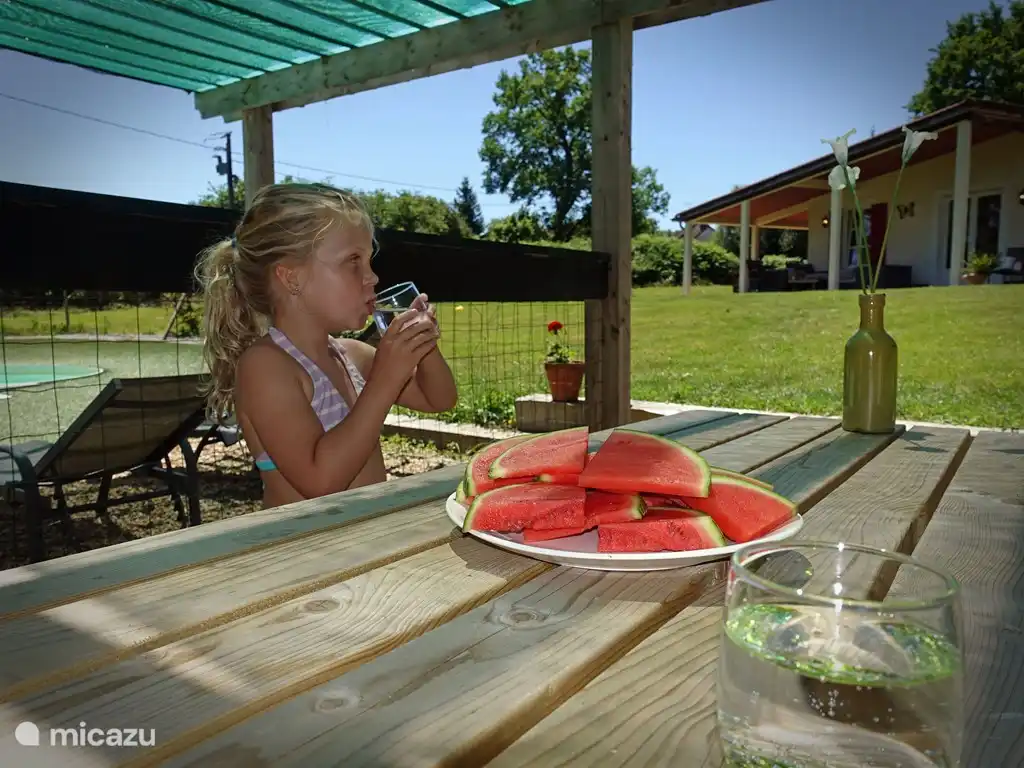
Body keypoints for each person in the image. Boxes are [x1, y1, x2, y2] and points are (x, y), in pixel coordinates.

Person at [196, 182, 458, 509]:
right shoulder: (266, 367)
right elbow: (321, 482)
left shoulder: (352, 355)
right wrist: (384, 381)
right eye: (353, 260)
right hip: (306, 540)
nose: (373, 277)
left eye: (369, 260)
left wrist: (423, 344)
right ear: (292, 278)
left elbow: (439, 399)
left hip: (363, 535)